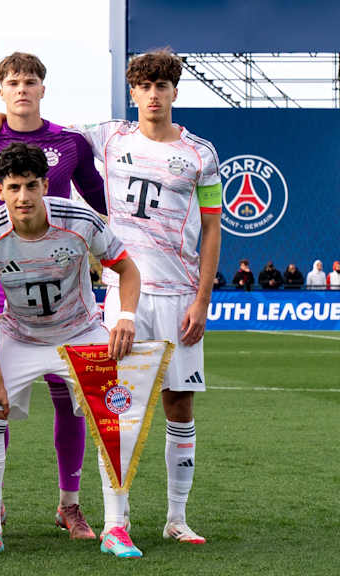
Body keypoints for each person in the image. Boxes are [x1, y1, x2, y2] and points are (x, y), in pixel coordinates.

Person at [70, 49, 222, 554]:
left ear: (175, 91)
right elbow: (46, 133)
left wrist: (202, 301)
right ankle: (117, 521)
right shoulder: (110, 136)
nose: (153, 95)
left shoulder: (202, 154)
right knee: (118, 408)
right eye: (144, 86)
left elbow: (212, 228)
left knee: (180, 406)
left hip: (180, 297)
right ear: (132, 92)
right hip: (124, 296)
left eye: (162, 86)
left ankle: (177, 518)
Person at [0, 142, 140, 558]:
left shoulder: (80, 220)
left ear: (45, 185)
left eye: (31, 186)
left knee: (112, 421)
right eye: (13, 188)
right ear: (0, 191)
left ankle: (117, 527)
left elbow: (127, 269)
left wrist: (125, 317)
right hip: (20, 335)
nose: (23, 197)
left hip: (80, 331)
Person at [0, 51, 109, 540]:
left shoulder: (70, 142)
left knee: (70, 402)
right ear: (1, 90)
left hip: (65, 293)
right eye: (13, 82)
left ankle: (70, 505)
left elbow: (100, 198)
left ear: (43, 88)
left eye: (30, 81)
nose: (22, 89)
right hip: (4, 294)